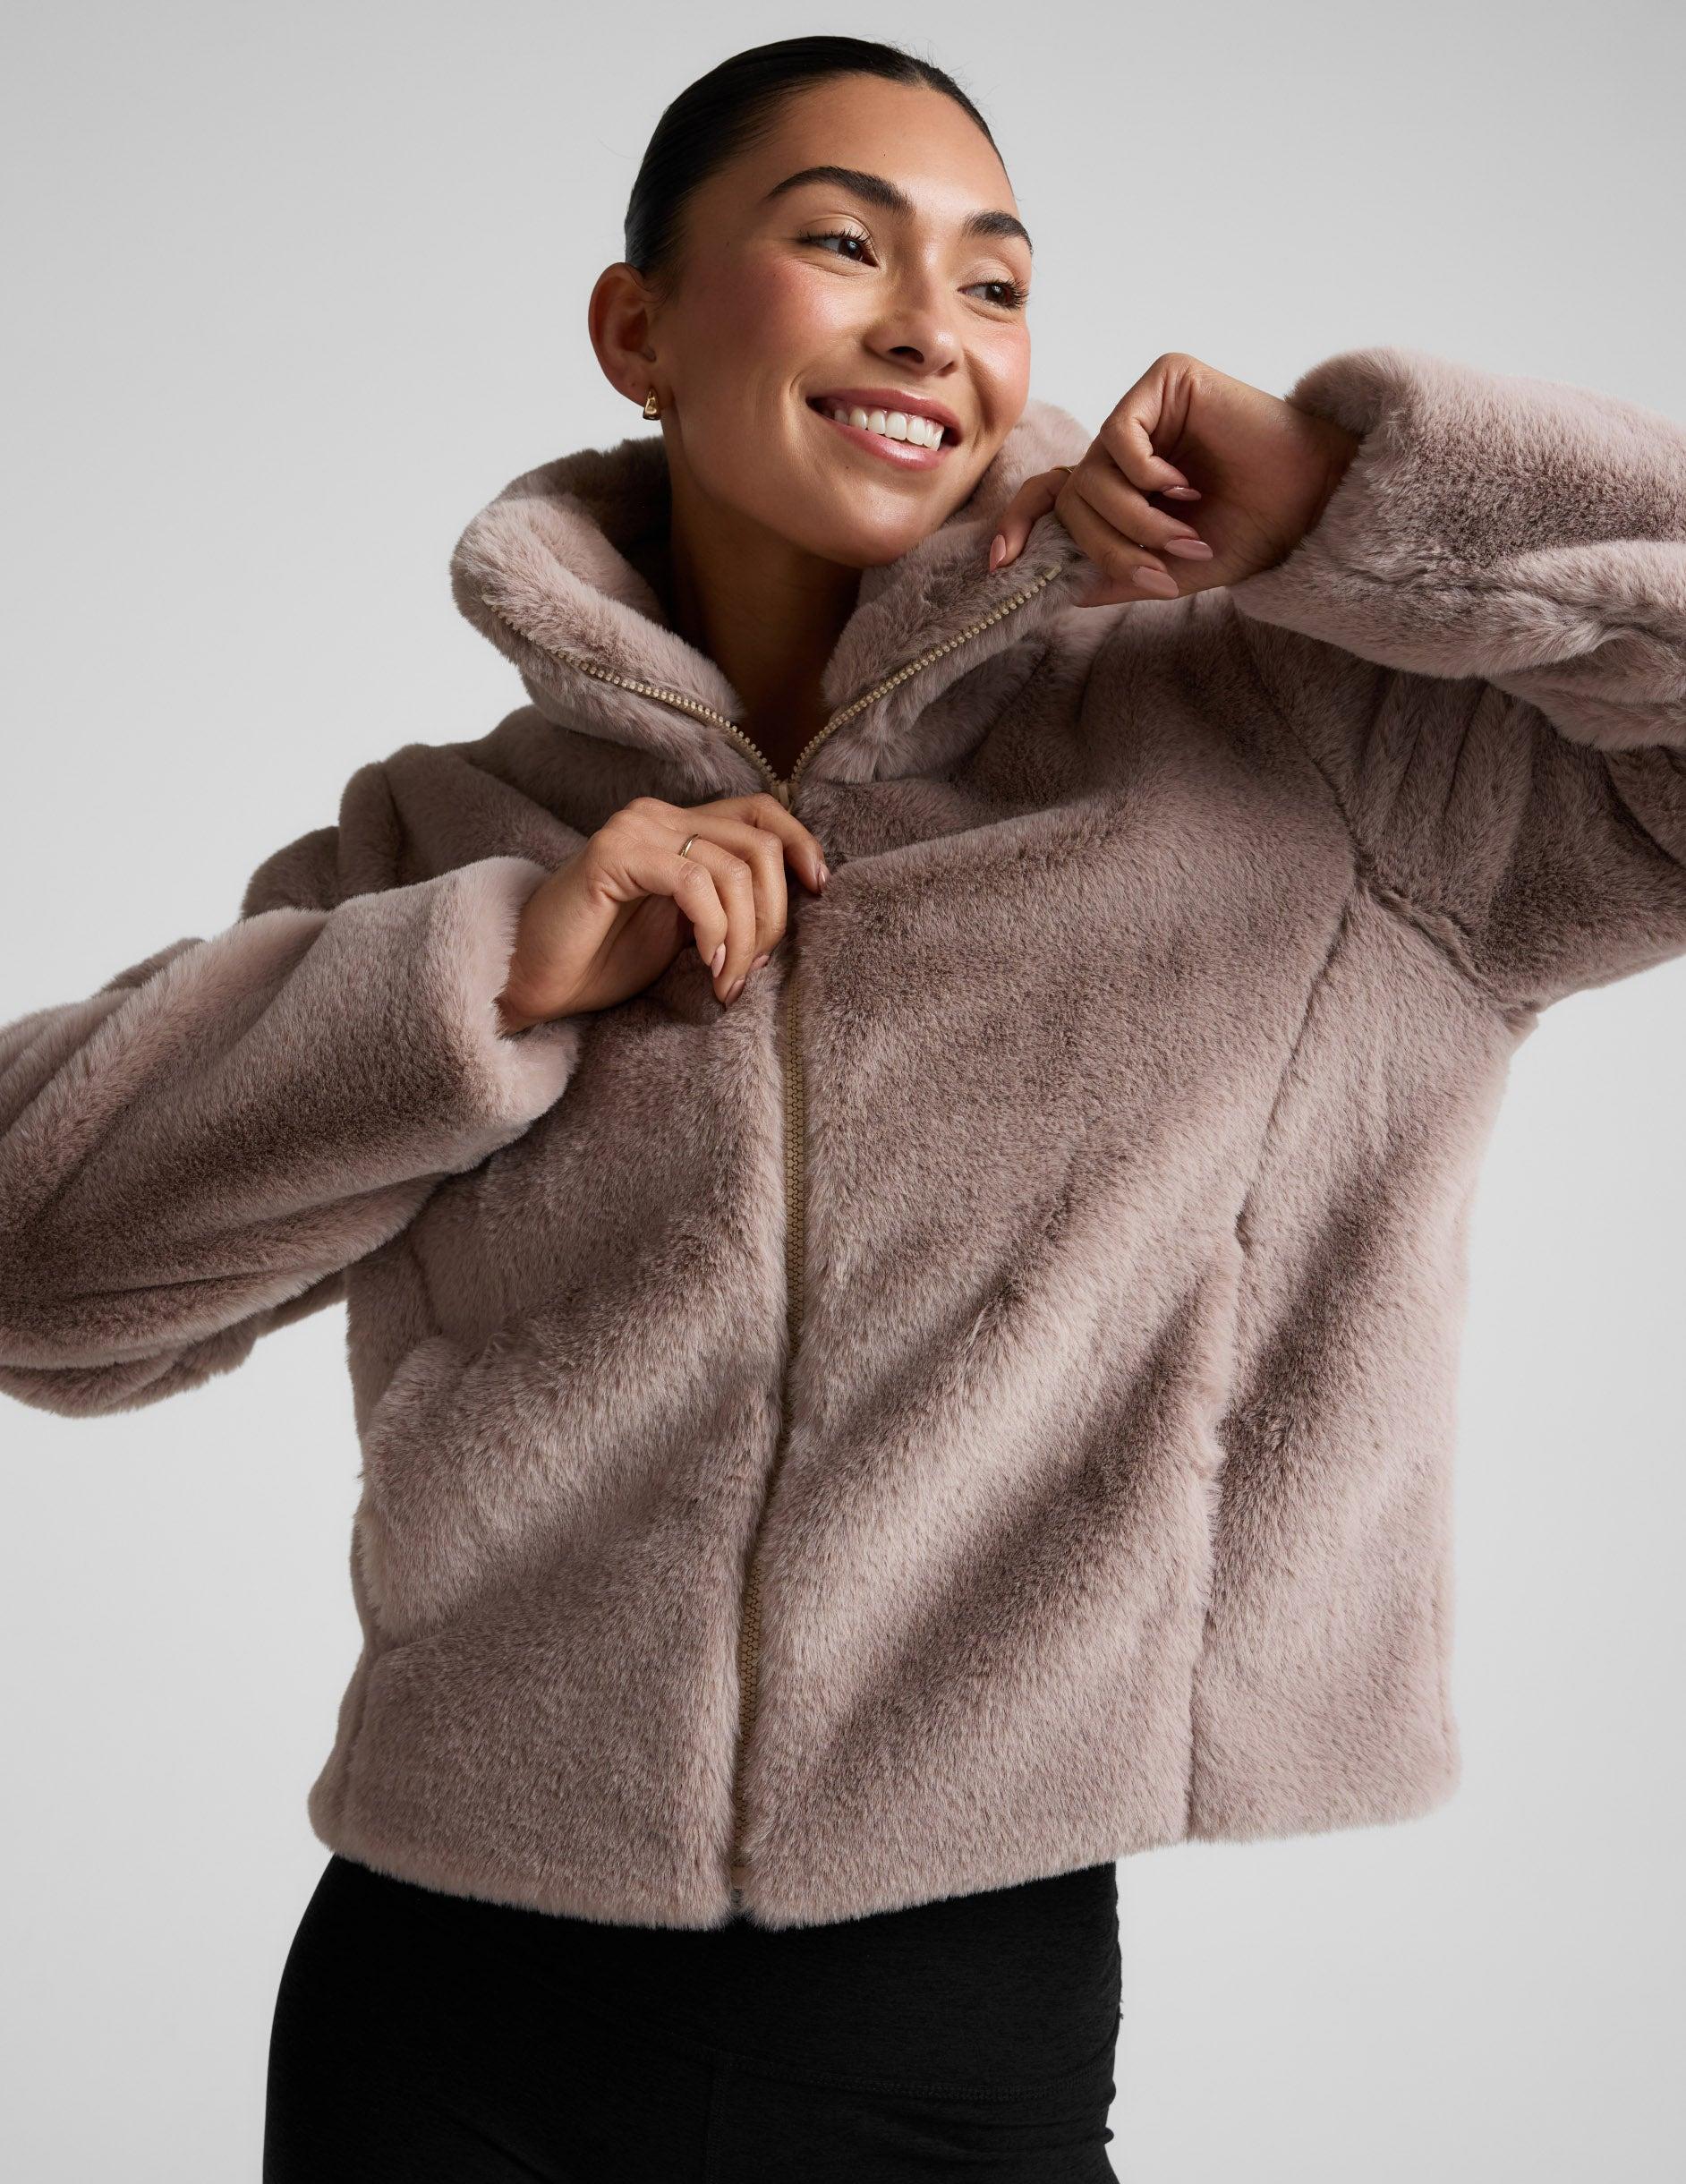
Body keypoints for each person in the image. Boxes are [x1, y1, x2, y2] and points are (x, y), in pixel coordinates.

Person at [3, 30, 1682, 2183]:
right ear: (638, 331)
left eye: (995, 280)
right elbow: (38, 1263)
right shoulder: (450, 836)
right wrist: (490, 971)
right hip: (430, 2014)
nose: (931, 325)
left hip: (938, 2032)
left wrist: (1367, 510)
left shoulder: (1300, 751)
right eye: (843, 243)